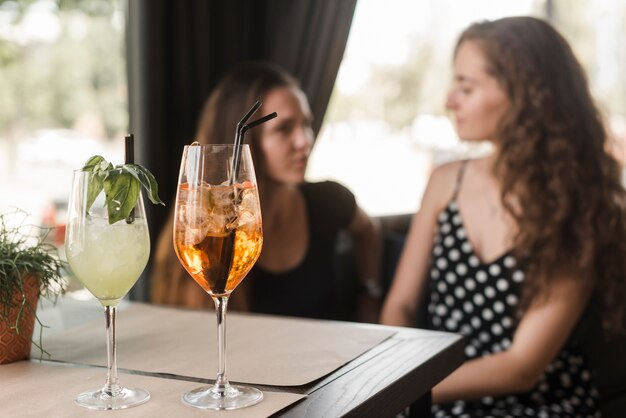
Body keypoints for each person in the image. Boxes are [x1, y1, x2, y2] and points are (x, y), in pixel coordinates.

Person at [381, 16, 626, 417]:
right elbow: (401, 307)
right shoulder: (446, 182)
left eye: (467, 86)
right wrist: (395, 383)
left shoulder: (579, 203)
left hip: (540, 406)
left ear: (526, 95)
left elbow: (522, 367)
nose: (450, 101)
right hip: (431, 398)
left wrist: (397, 393)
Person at [151, 61, 382, 321]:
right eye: (284, 128)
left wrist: (369, 291)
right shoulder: (205, 228)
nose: (304, 140)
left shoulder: (328, 200)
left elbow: (368, 229)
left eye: (306, 124)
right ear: (241, 140)